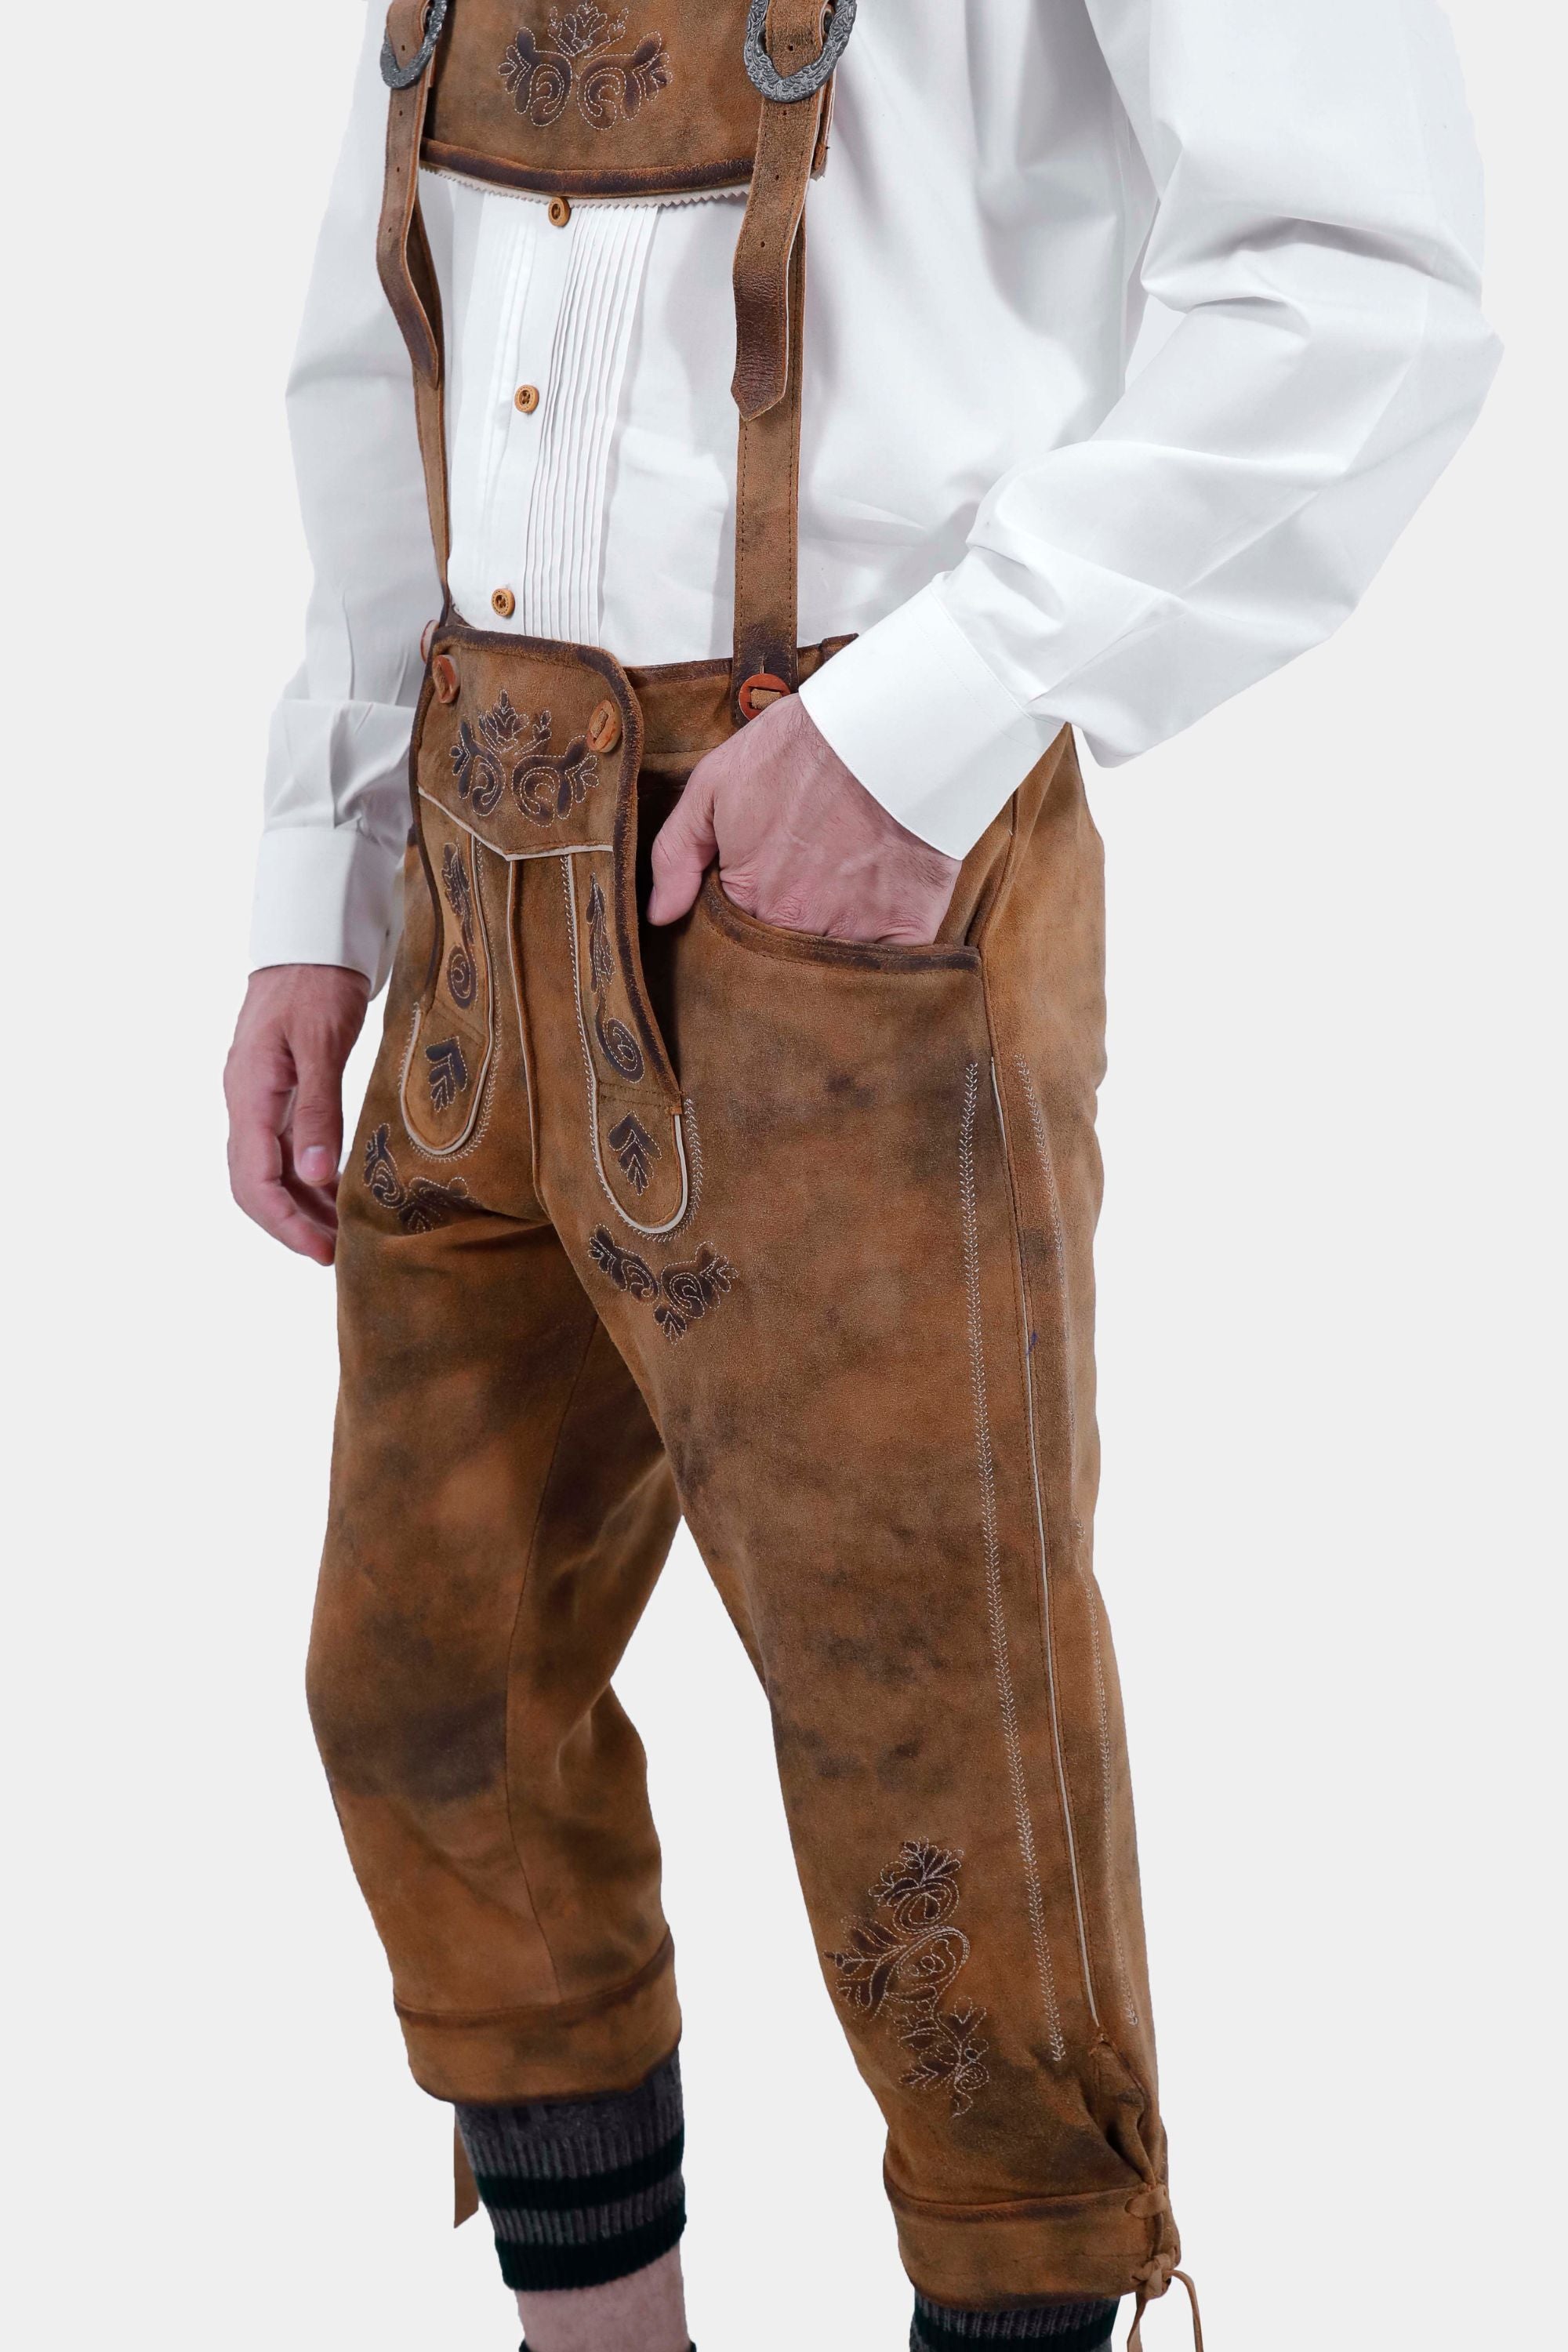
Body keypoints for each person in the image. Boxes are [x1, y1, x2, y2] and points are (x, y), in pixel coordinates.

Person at [225, 5, 1497, 2347]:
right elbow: (381, 321)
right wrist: (328, 872)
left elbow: (1358, 278)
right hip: (474, 854)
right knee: (426, 1691)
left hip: (849, 855)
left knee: (934, 1752)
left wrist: (927, 722)